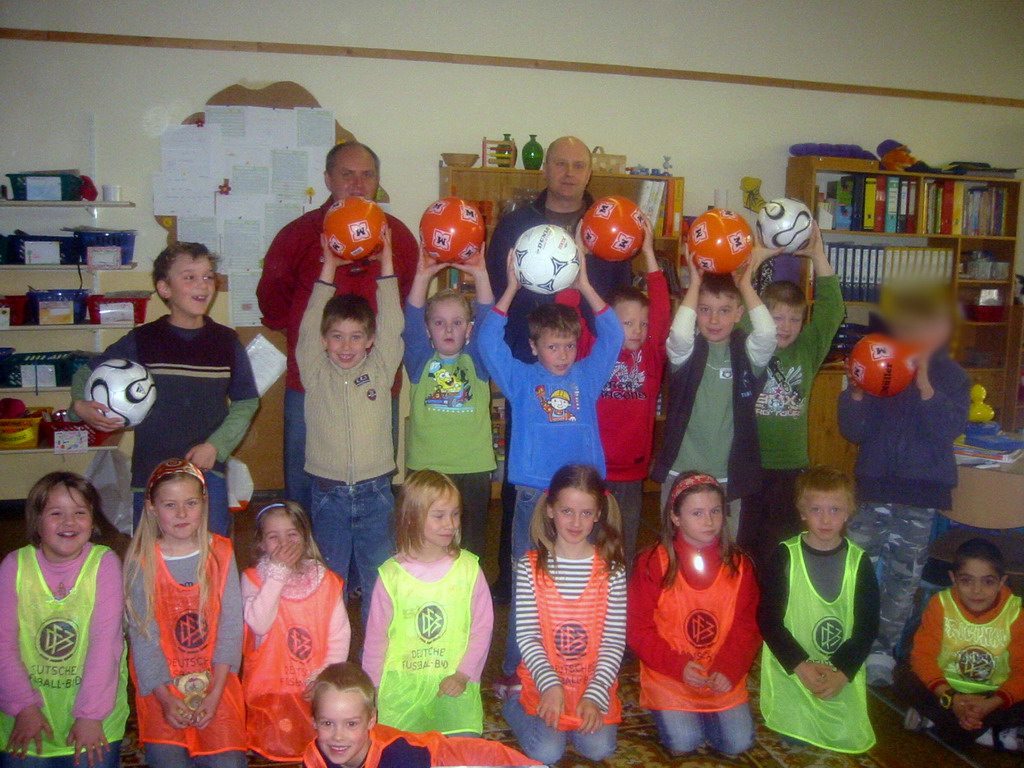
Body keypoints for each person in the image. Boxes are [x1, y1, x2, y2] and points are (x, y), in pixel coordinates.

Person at [485, 136, 634, 601]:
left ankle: (578, 602)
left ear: (589, 172)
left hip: (586, 363)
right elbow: (494, 288)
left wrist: (585, 295)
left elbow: (616, 304)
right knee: (524, 502)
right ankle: (516, 588)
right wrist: (521, 353)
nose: (569, 172)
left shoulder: (603, 225)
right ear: (546, 169)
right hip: (526, 365)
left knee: (582, 526)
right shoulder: (515, 225)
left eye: (579, 165)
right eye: (561, 164)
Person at [478, 247, 623, 690]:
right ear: (535, 347)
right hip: (534, 499)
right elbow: (487, 342)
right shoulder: (521, 379)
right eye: (552, 346)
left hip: (585, 503)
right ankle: (514, 670)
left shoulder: (587, 375)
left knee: (584, 584)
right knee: (530, 585)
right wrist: (510, 290)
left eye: (568, 345)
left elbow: (613, 336)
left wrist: (583, 286)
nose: (562, 354)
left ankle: (578, 664)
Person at [258, 141, 418, 512]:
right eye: (347, 174)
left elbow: (408, 307)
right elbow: (273, 303)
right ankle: (304, 564)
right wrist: (312, 340)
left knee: (374, 485)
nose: (358, 184)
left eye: (368, 175)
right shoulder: (298, 235)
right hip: (311, 384)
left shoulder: (397, 238)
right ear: (328, 179)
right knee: (305, 487)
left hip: (376, 385)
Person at [72, 242, 259, 535]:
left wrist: (216, 446)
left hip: (207, 475)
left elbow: (246, 402)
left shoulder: (226, 342)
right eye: (190, 277)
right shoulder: (142, 340)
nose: (203, 285)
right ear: (165, 289)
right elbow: (87, 372)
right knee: (149, 559)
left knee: (211, 557)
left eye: (208, 276)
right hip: (150, 473)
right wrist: (79, 405)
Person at [838, 286, 970, 685]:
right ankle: (848, 639)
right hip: (874, 488)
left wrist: (927, 384)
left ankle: (882, 648)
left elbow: (948, 428)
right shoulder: (883, 364)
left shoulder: (953, 376)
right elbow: (854, 431)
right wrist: (856, 393)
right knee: (856, 566)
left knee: (902, 575)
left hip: (920, 494)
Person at [297, 231, 402, 626]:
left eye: (356, 337)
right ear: (324, 341)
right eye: (337, 336)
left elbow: (392, 323)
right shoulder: (315, 371)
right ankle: (329, 657)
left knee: (381, 580)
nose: (346, 345)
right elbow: (308, 327)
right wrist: (328, 266)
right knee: (330, 581)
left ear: (370, 341)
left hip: (376, 492)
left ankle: (380, 656)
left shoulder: (379, 366)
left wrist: (386, 262)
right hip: (328, 494)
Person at [628, 472, 760, 757]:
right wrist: (677, 666)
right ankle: (680, 714)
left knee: (738, 743)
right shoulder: (653, 563)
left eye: (715, 511)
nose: (709, 521)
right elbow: (637, 628)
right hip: (671, 674)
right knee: (684, 742)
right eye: (697, 513)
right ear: (675, 518)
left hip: (720, 671)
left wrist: (729, 668)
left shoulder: (739, 565)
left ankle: (706, 714)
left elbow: (747, 626)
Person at [123, 459, 245, 768]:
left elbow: (231, 628)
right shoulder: (142, 562)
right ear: (151, 507)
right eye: (170, 505)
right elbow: (143, 638)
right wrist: (166, 698)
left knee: (228, 763)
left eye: (190, 503)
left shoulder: (222, 552)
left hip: (217, 685)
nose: (181, 514)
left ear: (204, 504)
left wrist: (216, 692)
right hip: (162, 691)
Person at [0, 473, 128, 768]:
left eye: (79, 513)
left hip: (94, 717)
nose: (69, 523)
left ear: (93, 520)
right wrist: (24, 708)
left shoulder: (105, 564)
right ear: (36, 520)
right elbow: (3, 645)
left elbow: (105, 646)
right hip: (25, 715)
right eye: (56, 513)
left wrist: (90, 715)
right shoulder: (13, 567)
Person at [503, 464, 626, 765]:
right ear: (550, 510)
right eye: (567, 511)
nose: (575, 522)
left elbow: (613, 643)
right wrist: (551, 686)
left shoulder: (613, 570)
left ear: (598, 514)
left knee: (599, 748)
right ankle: (513, 700)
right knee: (548, 751)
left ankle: (582, 704)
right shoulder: (530, 566)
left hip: (590, 682)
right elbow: (529, 637)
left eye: (586, 513)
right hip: (544, 680)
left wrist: (594, 696)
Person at [651, 245, 776, 539]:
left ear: (738, 314)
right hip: (680, 472)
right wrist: (694, 284)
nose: (714, 320)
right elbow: (680, 334)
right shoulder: (686, 353)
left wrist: (744, 284)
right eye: (705, 310)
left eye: (724, 311)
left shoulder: (747, 354)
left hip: (727, 477)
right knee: (674, 550)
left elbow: (768, 334)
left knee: (724, 552)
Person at [739, 224, 845, 570]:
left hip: (791, 470)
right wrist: (755, 259)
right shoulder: (749, 343)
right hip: (749, 465)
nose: (784, 326)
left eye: (793, 319)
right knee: (746, 545)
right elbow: (738, 300)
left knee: (782, 547)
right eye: (776, 317)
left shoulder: (808, 349)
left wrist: (818, 255)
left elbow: (832, 312)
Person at [566, 219, 670, 567]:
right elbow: (568, 312)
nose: (638, 330)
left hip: (632, 472)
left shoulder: (652, 356)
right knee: (588, 546)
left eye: (642, 323)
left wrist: (649, 254)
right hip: (593, 469)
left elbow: (662, 312)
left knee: (620, 549)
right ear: (609, 324)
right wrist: (578, 254)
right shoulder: (592, 349)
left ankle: (616, 609)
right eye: (627, 323)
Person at [758, 466, 879, 754]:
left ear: (849, 511)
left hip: (837, 668)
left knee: (847, 736)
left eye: (835, 510)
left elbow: (867, 626)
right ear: (802, 512)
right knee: (797, 736)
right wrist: (799, 666)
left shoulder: (859, 563)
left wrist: (842, 673)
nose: (826, 519)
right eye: (816, 510)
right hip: (794, 670)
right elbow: (768, 619)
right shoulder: (784, 556)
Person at [363, 470, 492, 736]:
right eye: (439, 515)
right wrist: (372, 688)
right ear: (412, 517)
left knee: (460, 757)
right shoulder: (391, 576)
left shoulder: (468, 569)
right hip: (403, 693)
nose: (450, 524)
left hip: (454, 685)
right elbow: (377, 638)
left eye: (455, 514)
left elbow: (482, 629)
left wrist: (463, 674)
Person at [402, 251, 495, 558]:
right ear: (428, 331)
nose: (449, 329)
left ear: (469, 330)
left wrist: (480, 274)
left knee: (469, 548)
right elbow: (411, 321)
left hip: (473, 470)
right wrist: (421, 275)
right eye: (439, 323)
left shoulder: (478, 360)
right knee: (424, 543)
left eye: (457, 322)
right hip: (427, 470)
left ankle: (468, 600)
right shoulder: (419, 361)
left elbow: (489, 320)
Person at [241, 500, 349, 762]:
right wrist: (277, 575)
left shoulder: (326, 582)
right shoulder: (253, 579)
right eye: (273, 537)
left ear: (305, 537)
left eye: (291, 535)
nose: (284, 543)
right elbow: (259, 624)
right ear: (261, 544)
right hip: (269, 692)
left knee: (316, 753)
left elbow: (339, 637)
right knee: (269, 752)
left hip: (313, 689)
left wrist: (323, 680)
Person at [898, 537, 1024, 752]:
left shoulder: (1015, 613)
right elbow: (923, 657)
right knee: (903, 676)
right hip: (946, 689)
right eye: (967, 580)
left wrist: (990, 704)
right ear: (953, 579)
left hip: (993, 695)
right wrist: (950, 697)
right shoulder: (941, 605)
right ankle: (988, 733)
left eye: (988, 581)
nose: (977, 590)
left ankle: (940, 722)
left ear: (1002, 582)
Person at [302, 662, 538, 768]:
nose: (338, 736)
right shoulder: (316, 756)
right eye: (327, 723)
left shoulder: (399, 756)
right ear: (313, 722)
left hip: (465, 761)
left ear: (371, 720)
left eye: (351, 723)